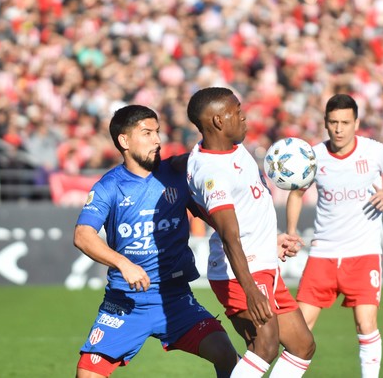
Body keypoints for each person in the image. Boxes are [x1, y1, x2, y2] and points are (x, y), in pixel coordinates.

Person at [73, 104, 238, 378]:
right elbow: (83, 234)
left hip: (175, 298)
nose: (158, 140)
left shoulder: (176, 175)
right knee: (87, 374)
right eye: (147, 133)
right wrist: (124, 264)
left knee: (227, 355)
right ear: (124, 141)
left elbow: (220, 218)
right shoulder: (109, 186)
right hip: (125, 303)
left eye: (158, 132)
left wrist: (267, 239)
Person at [186, 87, 316, 377]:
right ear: (218, 120)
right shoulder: (213, 173)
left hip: (262, 261)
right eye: (237, 112)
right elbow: (230, 237)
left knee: (302, 346)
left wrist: (269, 241)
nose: (244, 117)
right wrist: (251, 291)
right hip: (241, 273)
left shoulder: (228, 147)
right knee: (265, 347)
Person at [286, 94, 383, 378]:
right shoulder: (313, 156)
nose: (339, 129)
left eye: (345, 122)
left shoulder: (375, 151)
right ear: (325, 123)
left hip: (363, 252)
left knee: (366, 324)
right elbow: (295, 194)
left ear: (356, 123)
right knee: (299, 330)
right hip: (323, 253)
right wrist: (292, 232)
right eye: (333, 122)